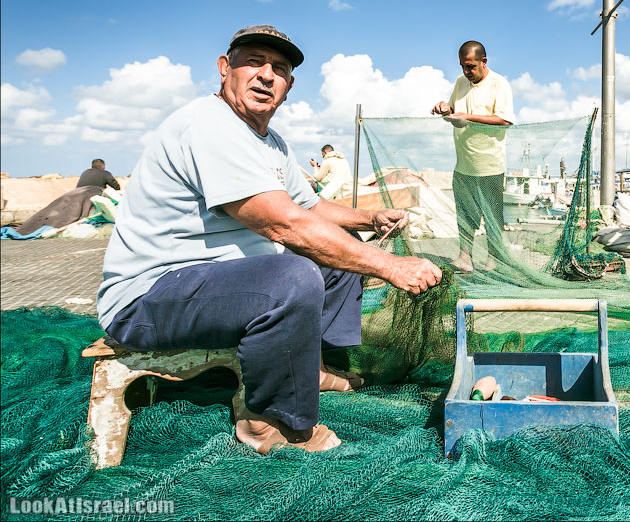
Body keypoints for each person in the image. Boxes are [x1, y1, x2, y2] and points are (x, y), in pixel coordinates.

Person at [96, 25, 442, 455]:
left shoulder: (270, 141)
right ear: (225, 69)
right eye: (253, 62)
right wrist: (388, 264)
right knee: (293, 275)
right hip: (149, 298)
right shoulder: (209, 125)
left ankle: (309, 370)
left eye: (278, 69)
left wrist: (367, 217)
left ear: (289, 86)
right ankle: (270, 420)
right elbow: (284, 225)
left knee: (337, 252)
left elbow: (309, 207)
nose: (266, 75)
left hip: (213, 284)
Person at [430, 40, 515, 272]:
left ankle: (494, 259)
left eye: (470, 67)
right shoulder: (460, 82)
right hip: (463, 163)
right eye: (462, 67)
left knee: (492, 217)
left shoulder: (500, 84)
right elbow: (453, 112)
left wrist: (468, 116)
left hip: (490, 165)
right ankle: (465, 258)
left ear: (483, 62)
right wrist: (443, 109)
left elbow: (505, 120)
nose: (466, 72)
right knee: (465, 215)